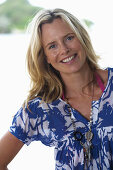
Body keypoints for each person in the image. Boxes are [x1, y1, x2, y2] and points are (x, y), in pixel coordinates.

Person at [0, 8, 112, 170]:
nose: (64, 49)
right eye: (52, 46)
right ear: (45, 56)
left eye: (69, 38)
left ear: (81, 37)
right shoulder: (40, 109)